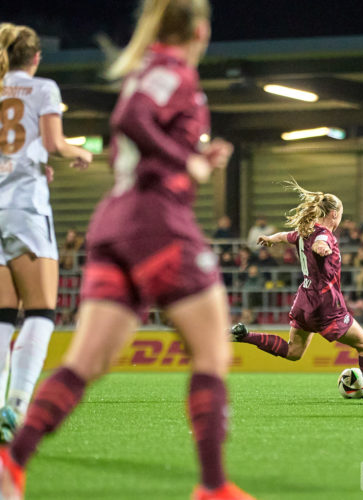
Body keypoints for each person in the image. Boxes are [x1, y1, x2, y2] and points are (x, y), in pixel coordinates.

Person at [0, 3, 254, 499]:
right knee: (212, 351)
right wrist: (192, 163)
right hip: (156, 224)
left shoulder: (147, 69)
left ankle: (12, 465)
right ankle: (213, 486)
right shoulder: (173, 70)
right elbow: (131, 119)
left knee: (84, 364)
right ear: (200, 31)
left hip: (114, 226)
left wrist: (197, 157)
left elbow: (139, 126)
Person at [0, 22, 93, 445]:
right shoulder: (43, 88)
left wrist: (33, 160)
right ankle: (16, 407)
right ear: (36, 58)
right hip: (26, 207)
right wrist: (79, 152)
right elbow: (55, 140)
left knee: (3, 313)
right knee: (40, 310)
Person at [230, 180, 363, 400]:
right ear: (333, 213)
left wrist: (271, 239)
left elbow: (285, 236)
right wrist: (323, 248)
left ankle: (244, 335)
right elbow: (321, 243)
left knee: (293, 352)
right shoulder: (324, 235)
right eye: (340, 215)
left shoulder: (304, 232)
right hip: (325, 303)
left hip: (304, 299)